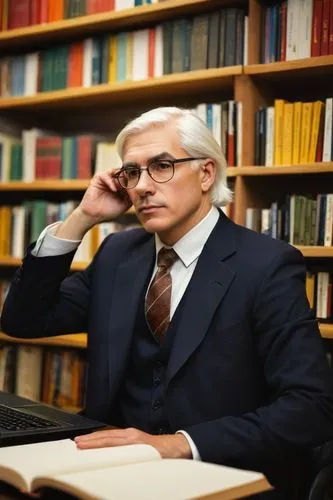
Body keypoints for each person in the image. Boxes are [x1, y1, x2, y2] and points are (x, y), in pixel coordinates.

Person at [2, 106, 333, 499]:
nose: (141, 186)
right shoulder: (117, 253)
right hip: (106, 474)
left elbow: (312, 407)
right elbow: (23, 320)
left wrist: (178, 443)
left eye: (161, 165)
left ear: (207, 173)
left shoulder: (267, 265)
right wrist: (82, 218)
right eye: (132, 172)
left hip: (217, 477)